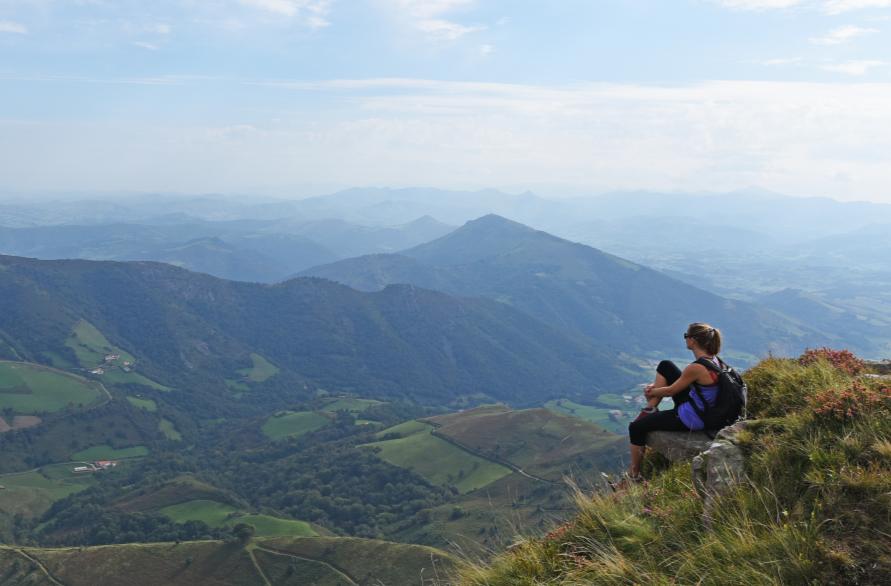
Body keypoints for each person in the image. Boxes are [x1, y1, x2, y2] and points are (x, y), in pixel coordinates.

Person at [625, 322, 723, 481]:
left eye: (686, 336)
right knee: (666, 366)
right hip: (702, 406)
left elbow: (671, 391)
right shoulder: (715, 361)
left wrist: (651, 391)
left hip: (693, 416)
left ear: (693, 340)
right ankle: (649, 409)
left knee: (636, 428)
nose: (685, 339)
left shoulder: (696, 368)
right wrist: (656, 390)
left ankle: (633, 476)